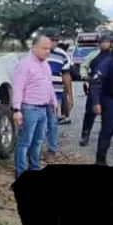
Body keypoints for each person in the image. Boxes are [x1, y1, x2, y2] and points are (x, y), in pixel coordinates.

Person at [11, 33, 58, 177]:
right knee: (25, 142)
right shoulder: (24, 65)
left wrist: (54, 101)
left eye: (49, 49)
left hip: (43, 108)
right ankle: (21, 172)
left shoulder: (45, 64)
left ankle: (34, 168)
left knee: (37, 141)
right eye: (44, 48)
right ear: (34, 47)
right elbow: (18, 88)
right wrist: (17, 110)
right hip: (29, 108)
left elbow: (49, 84)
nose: (48, 51)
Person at [78, 33, 113, 146]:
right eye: (102, 42)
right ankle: (85, 135)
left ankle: (104, 137)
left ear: (111, 43)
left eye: (107, 42)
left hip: (110, 88)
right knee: (90, 112)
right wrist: (84, 76)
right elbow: (84, 65)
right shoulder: (93, 55)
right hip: (95, 86)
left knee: (108, 114)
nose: (104, 44)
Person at [44, 35, 74, 155]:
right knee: (37, 123)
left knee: (53, 123)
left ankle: (52, 150)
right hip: (37, 95)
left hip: (55, 94)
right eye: (52, 39)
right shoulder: (37, 52)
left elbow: (66, 76)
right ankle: (34, 151)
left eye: (56, 40)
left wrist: (69, 96)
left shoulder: (62, 55)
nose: (54, 42)